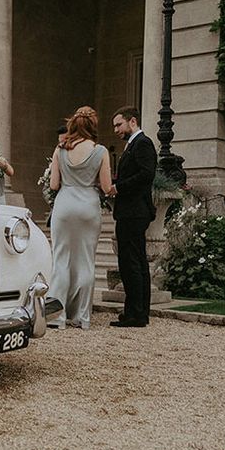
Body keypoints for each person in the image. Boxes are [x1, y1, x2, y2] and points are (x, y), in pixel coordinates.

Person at [48, 106, 113, 329]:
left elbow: (53, 184)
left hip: (65, 205)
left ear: (72, 125)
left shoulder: (60, 150)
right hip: (88, 206)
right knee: (85, 261)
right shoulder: (101, 151)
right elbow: (106, 187)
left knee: (61, 259)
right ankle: (82, 317)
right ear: (93, 126)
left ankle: (57, 316)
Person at [108, 106, 157, 328]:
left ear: (133, 122)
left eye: (119, 124)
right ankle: (136, 312)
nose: (116, 130)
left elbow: (146, 175)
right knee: (133, 262)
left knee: (131, 262)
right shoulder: (132, 145)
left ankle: (136, 314)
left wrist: (118, 187)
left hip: (134, 212)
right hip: (131, 211)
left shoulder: (143, 143)